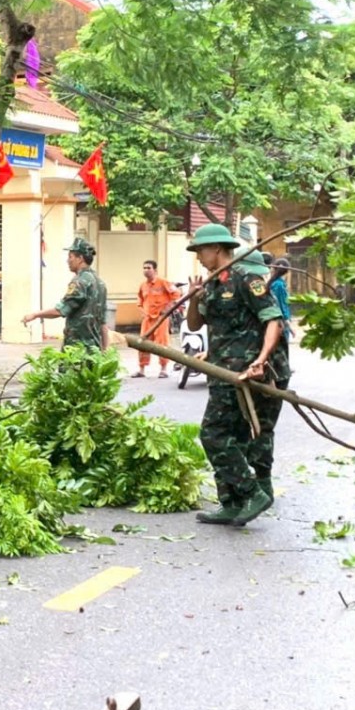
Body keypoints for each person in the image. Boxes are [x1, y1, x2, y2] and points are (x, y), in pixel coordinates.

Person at [185, 224, 290, 527]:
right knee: (228, 436)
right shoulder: (213, 283)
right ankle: (230, 503)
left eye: (201, 251)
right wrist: (194, 297)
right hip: (220, 371)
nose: (199, 257)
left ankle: (251, 490)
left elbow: (274, 320)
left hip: (242, 373)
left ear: (217, 248)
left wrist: (260, 360)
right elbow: (194, 325)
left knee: (213, 433)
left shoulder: (248, 279)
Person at [21, 237, 108, 352]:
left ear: (80, 258)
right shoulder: (100, 283)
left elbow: (60, 310)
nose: (68, 261)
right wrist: (105, 350)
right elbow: (103, 323)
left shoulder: (80, 282)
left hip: (76, 350)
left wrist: (35, 315)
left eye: (70, 257)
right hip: (94, 351)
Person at [134, 259, 181, 378]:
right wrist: (142, 311)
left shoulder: (163, 282)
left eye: (148, 268)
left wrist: (168, 308)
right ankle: (141, 369)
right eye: (144, 268)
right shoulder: (143, 285)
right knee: (142, 343)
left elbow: (176, 294)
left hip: (161, 318)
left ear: (155, 270)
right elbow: (140, 300)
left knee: (162, 343)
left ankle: (164, 369)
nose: (146, 270)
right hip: (147, 319)